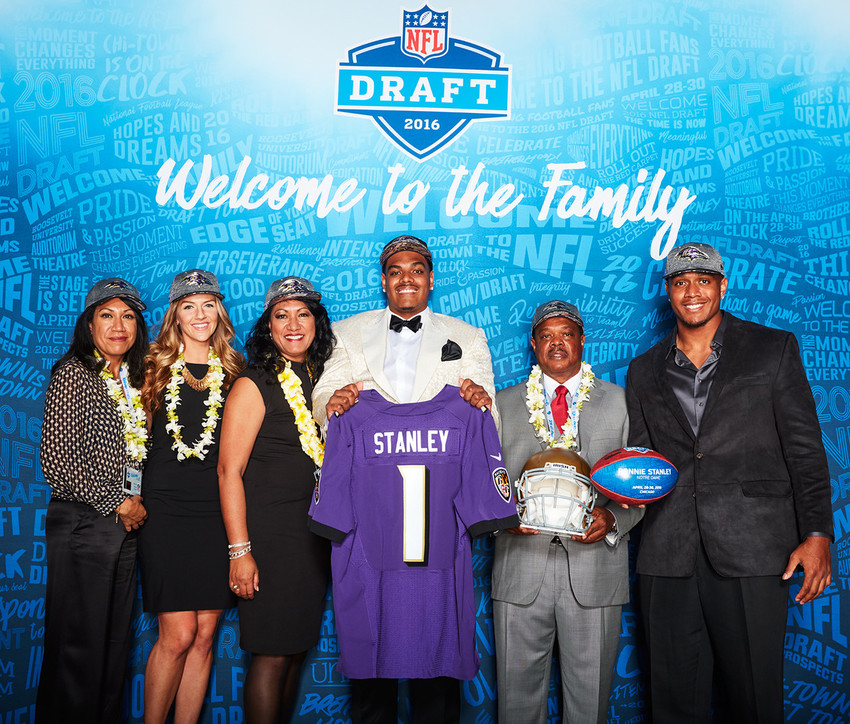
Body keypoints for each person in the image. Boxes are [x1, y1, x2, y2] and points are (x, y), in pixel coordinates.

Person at [626, 242, 833, 723]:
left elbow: (805, 451)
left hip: (755, 548)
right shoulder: (643, 370)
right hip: (668, 553)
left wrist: (818, 534)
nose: (692, 291)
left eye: (702, 280)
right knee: (673, 704)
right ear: (668, 292)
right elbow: (640, 463)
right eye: (680, 282)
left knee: (755, 701)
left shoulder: (773, 348)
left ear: (722, 284)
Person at [310, 234, 500, 723]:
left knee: (436, 643)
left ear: (431, 278)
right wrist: (334, 406)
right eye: (396, 270)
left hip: (435, 513)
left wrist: (478, 400)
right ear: (383, 281)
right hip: (372, 505)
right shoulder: (349, 333)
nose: (406, 278)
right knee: (372, 648)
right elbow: (325, 397)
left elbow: (485, 422)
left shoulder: (468, 335)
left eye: (416, 269)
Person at [491, 300, 643, 724]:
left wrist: (614, 519)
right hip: (521, 569)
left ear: (581, 340)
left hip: (595, 572)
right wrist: (502, 518)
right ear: (533, 343)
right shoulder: (501, 405)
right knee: (516, 706)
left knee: (589, 706)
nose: (556, 343)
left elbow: (642, 483)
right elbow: (482, 482)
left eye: (566, 334)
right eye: (546, 336)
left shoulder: (621, 403)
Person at [218, 277, 334, 724]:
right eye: (281, 315)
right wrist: (240, 551)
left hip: (312, 538)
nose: (293, 324)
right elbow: (229, 471)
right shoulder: (256, 381)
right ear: (268, 325)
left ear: (316, 323)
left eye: (303, 313)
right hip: (269, 538)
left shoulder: (323, 380)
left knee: (295, 653)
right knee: (270, 655)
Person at [37, 278, 150, 724]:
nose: (118, 325)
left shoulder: (130, 379)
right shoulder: (74, 372)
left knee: (111, 648)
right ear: (89, 324)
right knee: (78, 649)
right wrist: (118, 502)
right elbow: (57, 460)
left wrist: (132, 503)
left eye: (128, 316)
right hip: (85, 523)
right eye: (107, 315)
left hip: (121, 528)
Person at [138, 270, 245, 724]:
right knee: (178, 634)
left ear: (218, 311)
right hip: (165, 513)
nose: (199, 315)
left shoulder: (237, 372)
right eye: (188, 306)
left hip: (217, 513)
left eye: (207, 305)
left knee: (205, 634)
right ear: (175, 315)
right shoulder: (151, 368)